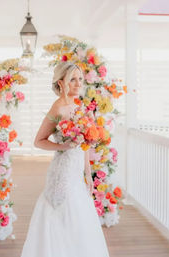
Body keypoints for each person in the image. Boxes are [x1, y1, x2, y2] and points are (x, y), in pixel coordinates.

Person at [20, 61, 110, 257]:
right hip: (62, 170)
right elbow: (39, 141)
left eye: (80, 79)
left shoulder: (79, 105)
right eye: (72, 80)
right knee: (63, 209)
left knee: (79, 212)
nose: (78, 84)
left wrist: (88, 171)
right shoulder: (58, 108)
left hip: (77, 169)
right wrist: (62, 146)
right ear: (61, 83)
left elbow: (85, 142)